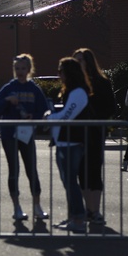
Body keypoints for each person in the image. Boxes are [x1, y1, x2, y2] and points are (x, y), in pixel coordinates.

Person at [0, 53, 49, 221]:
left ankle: (37, 206)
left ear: (29, 69)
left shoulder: (34, 88)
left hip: (27, 134)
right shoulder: (9, 87)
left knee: (32, 170)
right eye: (17, 68)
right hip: (9, 134)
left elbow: (45, 109)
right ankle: (17, 207)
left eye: (23, 68)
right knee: (14, 170)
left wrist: (34, 116)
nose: (20, 71)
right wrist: (7, 100)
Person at [49, 57, 94, 233]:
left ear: (69, 73)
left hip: (72, 142)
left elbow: (67, 115)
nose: (59, 74)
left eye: (61, 71)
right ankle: (73, 217)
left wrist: (49, 118)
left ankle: (78, 218)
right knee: (68, 182)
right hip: (64, 141)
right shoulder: (71, 91)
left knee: (70, 182)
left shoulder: (78, 92)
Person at [73, 48, 115, 225]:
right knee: (81, 172)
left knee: (94, 172)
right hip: (76, 135)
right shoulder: (74, 83)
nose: (77, 64)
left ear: (88, 61)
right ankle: (87, 209)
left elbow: (110, 107)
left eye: (80, 60)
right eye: (75, 61)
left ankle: (95, 211)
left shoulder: (101, 82)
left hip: (95, 133)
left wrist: (96, 118)